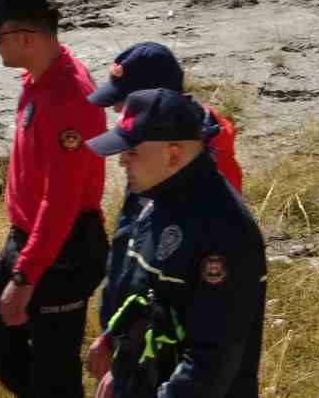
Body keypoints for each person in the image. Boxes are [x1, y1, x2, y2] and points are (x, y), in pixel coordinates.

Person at [0, 0, 108, 398]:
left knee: (55, 373)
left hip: (62, 251)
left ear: (26, 37)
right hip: (30, 240)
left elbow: (62, 203)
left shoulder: (68, 98)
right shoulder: (41, 76)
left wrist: (27, 274)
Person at [85, 88, 267, 398]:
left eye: (132, 152)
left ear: (173, 155)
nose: (121, 162)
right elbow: (147, 296)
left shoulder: (223, 231)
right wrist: (117, 347)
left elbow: (210, 362)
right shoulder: (156, 198)